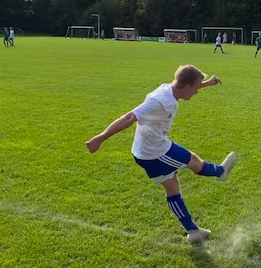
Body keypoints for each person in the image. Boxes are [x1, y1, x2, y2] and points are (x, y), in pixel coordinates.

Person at [85, 65, 237, 244]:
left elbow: (185, 86)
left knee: (172, 187)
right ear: (187, 86)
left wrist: (207, 84)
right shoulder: (159, 101)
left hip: (145, 150)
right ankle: (220, 172)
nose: (197, 92)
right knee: (194, 162)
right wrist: (100, 138)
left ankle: (193, 231)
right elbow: (128, 118)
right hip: (155, 151)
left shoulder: (171, 88)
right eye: (196, 88)